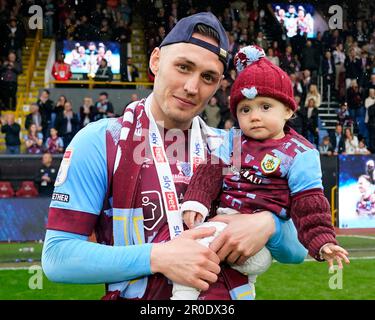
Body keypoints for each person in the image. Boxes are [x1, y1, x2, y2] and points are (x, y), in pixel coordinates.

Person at [42, 12, 309, 301]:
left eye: (208, 77)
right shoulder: (101, 141)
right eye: (183, 67)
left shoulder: (232, 149)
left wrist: (268, 225)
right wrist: (159, 257)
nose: (192, 87)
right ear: (155, 60)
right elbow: (58, 257)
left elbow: (298, 251)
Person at [177, 45, 349, 300]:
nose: (254, 117)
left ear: (288, 110)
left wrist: (323, 242)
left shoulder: (300, 153)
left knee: (191, 255)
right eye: (245, 110)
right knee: (202, 257)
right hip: (223, 224)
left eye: (265, 107)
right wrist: (196, 201)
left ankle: (181, 297)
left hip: (258, 244)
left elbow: (309, 204)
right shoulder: (235, 141)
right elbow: (210, 175)